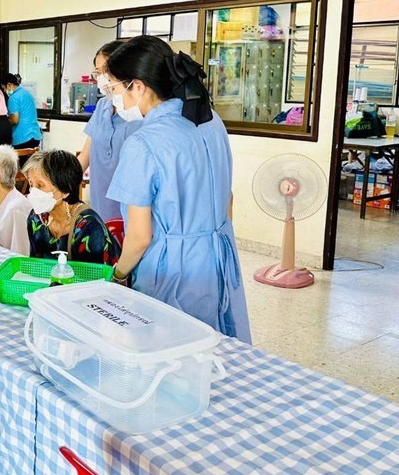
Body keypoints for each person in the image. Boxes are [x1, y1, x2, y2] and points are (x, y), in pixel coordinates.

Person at [104, 36, 251, 341]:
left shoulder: (144, 143)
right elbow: (228, 199)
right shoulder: (212, 122)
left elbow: (140, 238)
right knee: (216, 350)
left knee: (171, 357)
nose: (115, 100)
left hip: (172, 271)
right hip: (217, 259)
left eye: (115, 89)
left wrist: (117, 276)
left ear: (139, 86)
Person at [77, 40, 142, 223]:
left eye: (106, 71)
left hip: (131, 211)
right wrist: (58, 183)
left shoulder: (138, 113)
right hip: (100, 205)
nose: (103, 79)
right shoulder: (102, 106)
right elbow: (85, 156)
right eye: (98, 73)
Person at [23, 150, 119, 265]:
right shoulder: (36, 219)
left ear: (65, 190)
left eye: (40, 185)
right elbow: (36, 266)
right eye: (31, 184)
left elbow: (96, 279)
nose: (33, 192)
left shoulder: (89, 226)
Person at [1, 73, 42, 150]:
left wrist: (4, 122)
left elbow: (15, 120)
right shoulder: (27, 94)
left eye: (4, 88)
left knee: (21, 162)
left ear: (9, 85)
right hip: (36, 136)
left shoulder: (13, 98)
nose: (4, 91)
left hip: (23, 138)